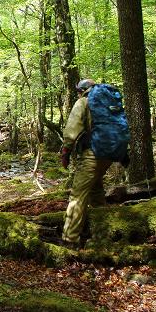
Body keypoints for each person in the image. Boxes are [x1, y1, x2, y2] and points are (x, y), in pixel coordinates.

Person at [60, 79, 114, 249]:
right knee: (96, 191)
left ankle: (69, 240)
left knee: (77, 196)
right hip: (109, 154)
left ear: (82, 90)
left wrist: (66, 151)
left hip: (92, 153)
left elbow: (72, 129)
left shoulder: (83, 102)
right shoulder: (109, 102)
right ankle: (104, 233)